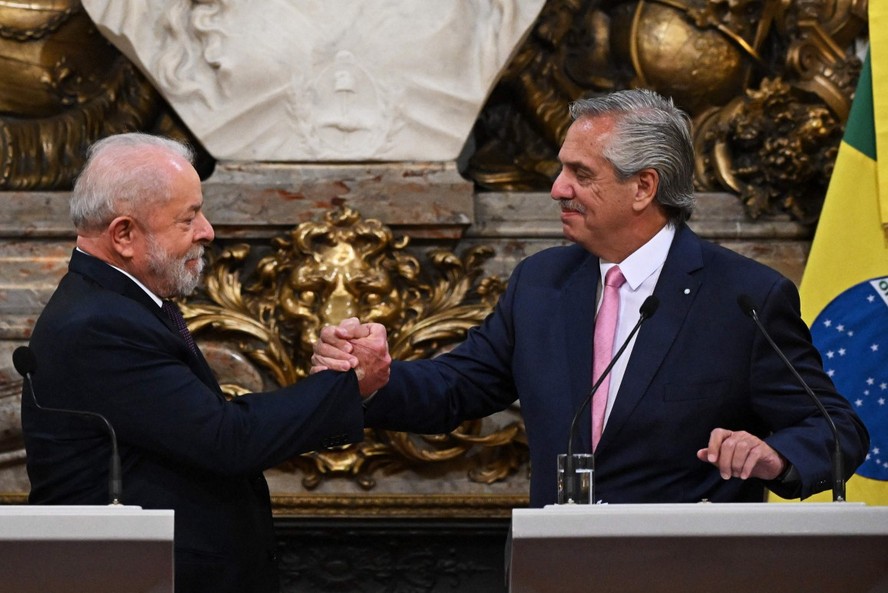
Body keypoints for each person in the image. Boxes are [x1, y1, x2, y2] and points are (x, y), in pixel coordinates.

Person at [312, 88, 869, 507]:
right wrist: (377, 377)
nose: (557, 188)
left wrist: (775, 456)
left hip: (690, 572)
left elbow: (837, 430)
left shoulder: (744, 297)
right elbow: (459, 387)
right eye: (561, 168)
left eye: (581, 173)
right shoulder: (541, 283)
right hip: (563, 567)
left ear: (644, 187)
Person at [20, 133, 389, 593]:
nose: (208, 231)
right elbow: (224, 438)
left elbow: (196, 426)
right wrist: (346, 384)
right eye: (188, 218)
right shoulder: (99, 324)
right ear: (124, 235)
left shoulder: (118, 302)